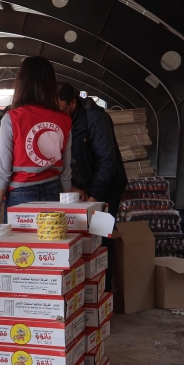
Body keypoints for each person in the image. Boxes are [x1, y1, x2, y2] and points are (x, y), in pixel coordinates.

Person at [0, 57, 83, 216]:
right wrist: (69, 206)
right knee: (50, 241)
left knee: (21, 242)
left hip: (21, 195)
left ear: (22, 83)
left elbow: (3, 171)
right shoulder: (64, 119)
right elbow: (65, 169)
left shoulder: (12, 118)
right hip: (54, 192)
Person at [57, 83, 127, 289]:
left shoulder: (96, 120)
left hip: (105, 189)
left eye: (60, 109)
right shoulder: (62, 119)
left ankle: (102, 292)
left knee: (101, 238)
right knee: (77, 237)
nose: (57, 114)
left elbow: (107, 163)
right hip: (80, 187)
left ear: (72, 103)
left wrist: (94, 198)